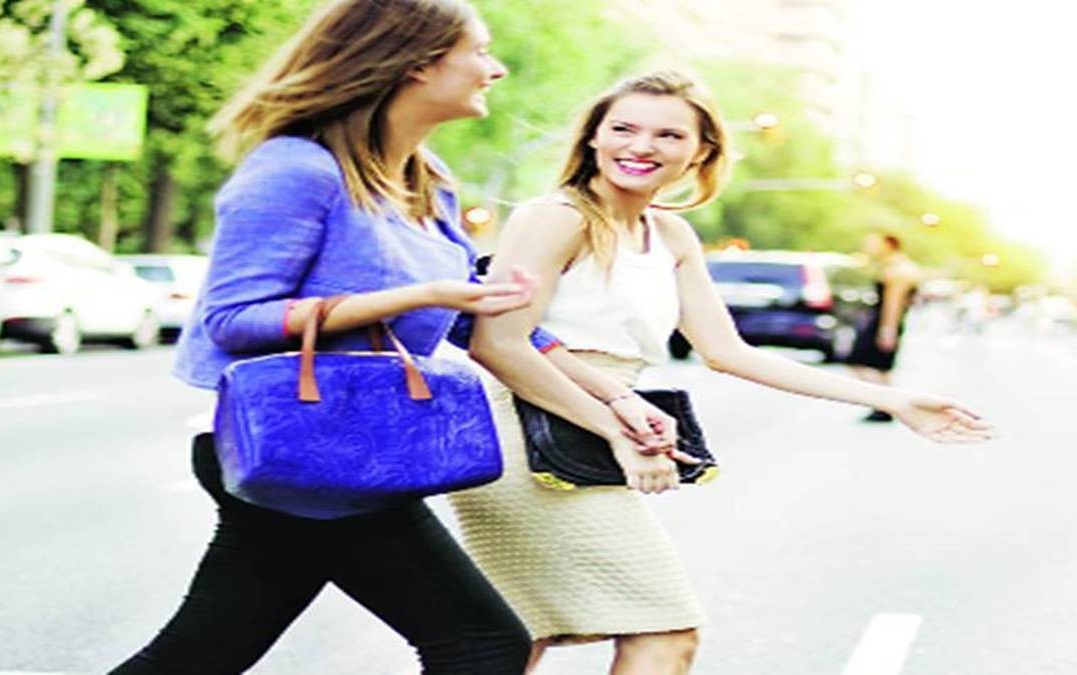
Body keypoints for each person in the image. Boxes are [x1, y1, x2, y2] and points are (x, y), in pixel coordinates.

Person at [108, 1, 650, 672]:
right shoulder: (295, 169)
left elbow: (480, 319)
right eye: (480, 52)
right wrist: (415, 296)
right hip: (301, 447)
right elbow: (232, 320)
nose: (496, 69)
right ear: (418, 63)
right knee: (482, 645)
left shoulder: (426, 183)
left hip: (353, 451)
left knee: (199, 656)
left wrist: (615, 400)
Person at [454, 71, 993, 674]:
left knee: (517, 640)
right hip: (525, 435)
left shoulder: (669, 234)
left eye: (668, 135)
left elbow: (729, 352)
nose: (641, 147)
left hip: (591, 426)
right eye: (623, 129)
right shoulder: (558, 217)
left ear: (701, 152)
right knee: (661, 630)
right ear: (593, 138)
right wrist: (615, 429)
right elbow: (499, 344)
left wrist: (897, 401)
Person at [847, 233, 921, 422]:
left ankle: (886, 404)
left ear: (889, 245)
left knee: (859, 361)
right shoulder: (894, 266)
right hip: (886, 320)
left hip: (884, 321)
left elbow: (894, 302)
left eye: (873, 244)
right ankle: (885, 405)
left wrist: (888, 329)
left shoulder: (898, 270)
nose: (868, 248)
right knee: (880, 367)